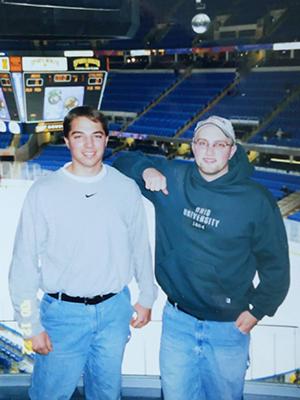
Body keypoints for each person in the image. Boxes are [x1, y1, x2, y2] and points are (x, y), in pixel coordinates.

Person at [113, 115, 290, 400]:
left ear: (232, 150)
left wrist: (258, 310)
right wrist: (146, 169)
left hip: (228, 327)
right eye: (202, 143)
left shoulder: (255, 200)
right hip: (177, 323)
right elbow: (121, 161)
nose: (209, 151)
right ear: (192, 146)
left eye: (219, 145)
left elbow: (277, 266)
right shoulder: (172, 178)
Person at [9, 106, 157, 400]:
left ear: (106, 140)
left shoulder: (125, 188)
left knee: (106, 393)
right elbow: (23, 263)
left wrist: (147, 296)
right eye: (79, 136)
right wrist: (29, 326)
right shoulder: (45, 191)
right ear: (66, 141)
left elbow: (140, 246)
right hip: (63, 315)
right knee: (50, 394)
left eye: (96, 136)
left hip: (115, 311)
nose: (89, 145)